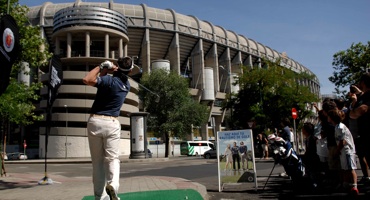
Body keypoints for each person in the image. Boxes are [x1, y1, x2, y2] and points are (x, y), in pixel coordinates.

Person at [83, 57, 133, 200]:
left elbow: (87, 79)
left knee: (97, 162)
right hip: (112, 123)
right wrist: (111, 70)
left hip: (95, 121)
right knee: (112, 159)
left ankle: (100, 196)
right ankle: (113, 186)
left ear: (117, 66)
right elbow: (103, 82)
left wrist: (101, 66)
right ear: (129, 71)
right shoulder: (126, 85)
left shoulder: (109, 81)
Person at [327, 109, 359, 195]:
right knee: (344, 168)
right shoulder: (337, 127)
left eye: (329, 116)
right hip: (343, 152)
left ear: (332, 118)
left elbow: (342, 141)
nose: (328, 118)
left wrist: (337, 151)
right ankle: (345, 184)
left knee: (350, 168)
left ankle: (355, 186)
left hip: (347, 151)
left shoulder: (340, 127)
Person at [349, 73, 370, 184]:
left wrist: (353, 111)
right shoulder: (364, 96)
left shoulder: (367, 97)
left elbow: (361, 110)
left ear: (363, 83)